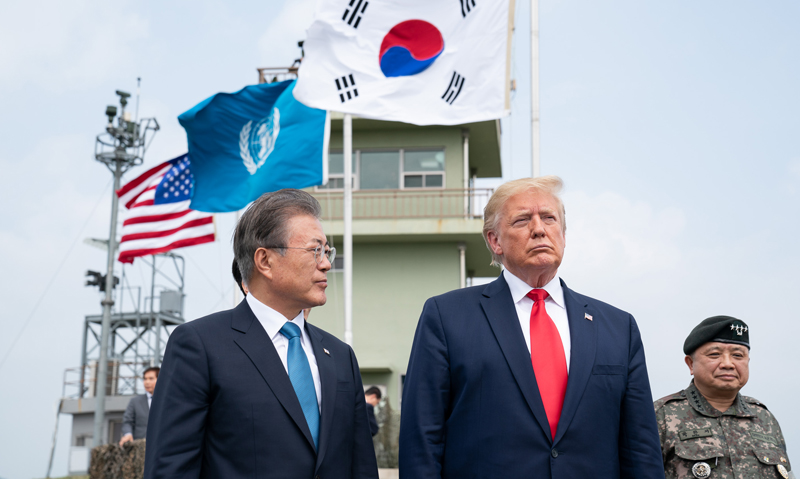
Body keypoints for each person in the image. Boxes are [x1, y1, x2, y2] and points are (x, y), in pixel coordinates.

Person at [399, 176, 664, 479]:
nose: (539, 229)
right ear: (494, 240)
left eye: (549, 218)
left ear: (563, 234)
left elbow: (640, 448)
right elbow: (422, 438)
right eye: (523, 220)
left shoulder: (618, 327)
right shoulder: (447, 317)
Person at [144, 189, 379, 479]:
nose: (326, 263)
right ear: (265, 261)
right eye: (314, 250)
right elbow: (170, 469)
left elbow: (361, 467)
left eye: (327, 251)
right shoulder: (201, 346)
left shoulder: (340, 356)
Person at [655, 316, 793, 479]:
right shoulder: (661, 415)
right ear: (691, 364)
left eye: (738, 355)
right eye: (715, 354)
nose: (728, 364)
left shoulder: (764, 418)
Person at [119, 366, 159, 445]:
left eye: (151, 378)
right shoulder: (135, 402)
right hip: (141, 446)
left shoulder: (168, 401)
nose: (147, 382)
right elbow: (127, 421)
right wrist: (128, 434)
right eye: (145, 379)